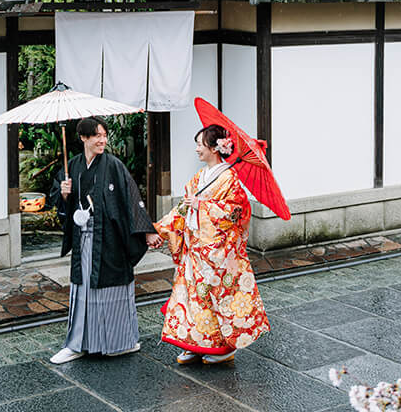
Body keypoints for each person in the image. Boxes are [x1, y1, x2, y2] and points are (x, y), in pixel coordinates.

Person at [48, 117, 162, 364]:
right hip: (83, 239)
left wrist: (147, 231)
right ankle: (77, 344)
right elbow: (56, 197)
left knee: (111, 288)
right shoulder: (72, 166)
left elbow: (132, 198)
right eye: (97, 136)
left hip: (111, 240)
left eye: (104, 135)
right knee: (83, 290)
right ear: (83, 138)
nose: (103, 140)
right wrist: (64, 194)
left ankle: (121, 343)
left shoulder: (113, 165)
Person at [154, 124, 269, 365]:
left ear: (215, 148)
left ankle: (223, 348)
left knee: (217, 299)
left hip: (219, 253)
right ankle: (194, 343)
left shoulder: (229, 178)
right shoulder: (200, 177)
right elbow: (183, 208)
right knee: (193, 298)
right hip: (195, 251)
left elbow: (237, 212)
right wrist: (158, 229)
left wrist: (203, 206)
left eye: (200, 144)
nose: (197, 149)